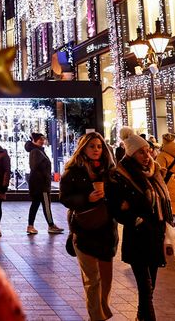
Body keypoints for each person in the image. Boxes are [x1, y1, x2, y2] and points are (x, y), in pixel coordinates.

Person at [108, 127, 172, 321]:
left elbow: (162, 200)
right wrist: (136, 219)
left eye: (148, 150)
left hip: (157, 234)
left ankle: (140, 317)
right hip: (138, 236)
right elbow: (116, 208)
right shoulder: (120, 175)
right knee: (145, 286)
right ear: (131, 153)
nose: (147, 155)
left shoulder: (155, 172)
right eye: (141, 152)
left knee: (150, 285)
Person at [60, 132, 118, 321]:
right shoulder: (73, 171)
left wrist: (109, 197)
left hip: (106, 231)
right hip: (84, 230)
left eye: (99, 146)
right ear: (83, 148)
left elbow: (119, 197)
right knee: (92, 280)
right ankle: (96, 317)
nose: (96, 150)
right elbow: (65, 198)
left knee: (106, 280)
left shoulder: (110, 172)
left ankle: (102, 309)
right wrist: (86, 198)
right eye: (92, 146)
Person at [25, 132, 63, 234]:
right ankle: (51, 225)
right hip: (41, 185)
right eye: (40, 139)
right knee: (46, 205)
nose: (42, 141)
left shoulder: (38, 150)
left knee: (36, 204)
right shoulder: (36, 151)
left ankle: (31, 226)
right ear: (34, 140)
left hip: (39, 184)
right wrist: (44, 175)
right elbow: (34, 167)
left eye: (43, 139)